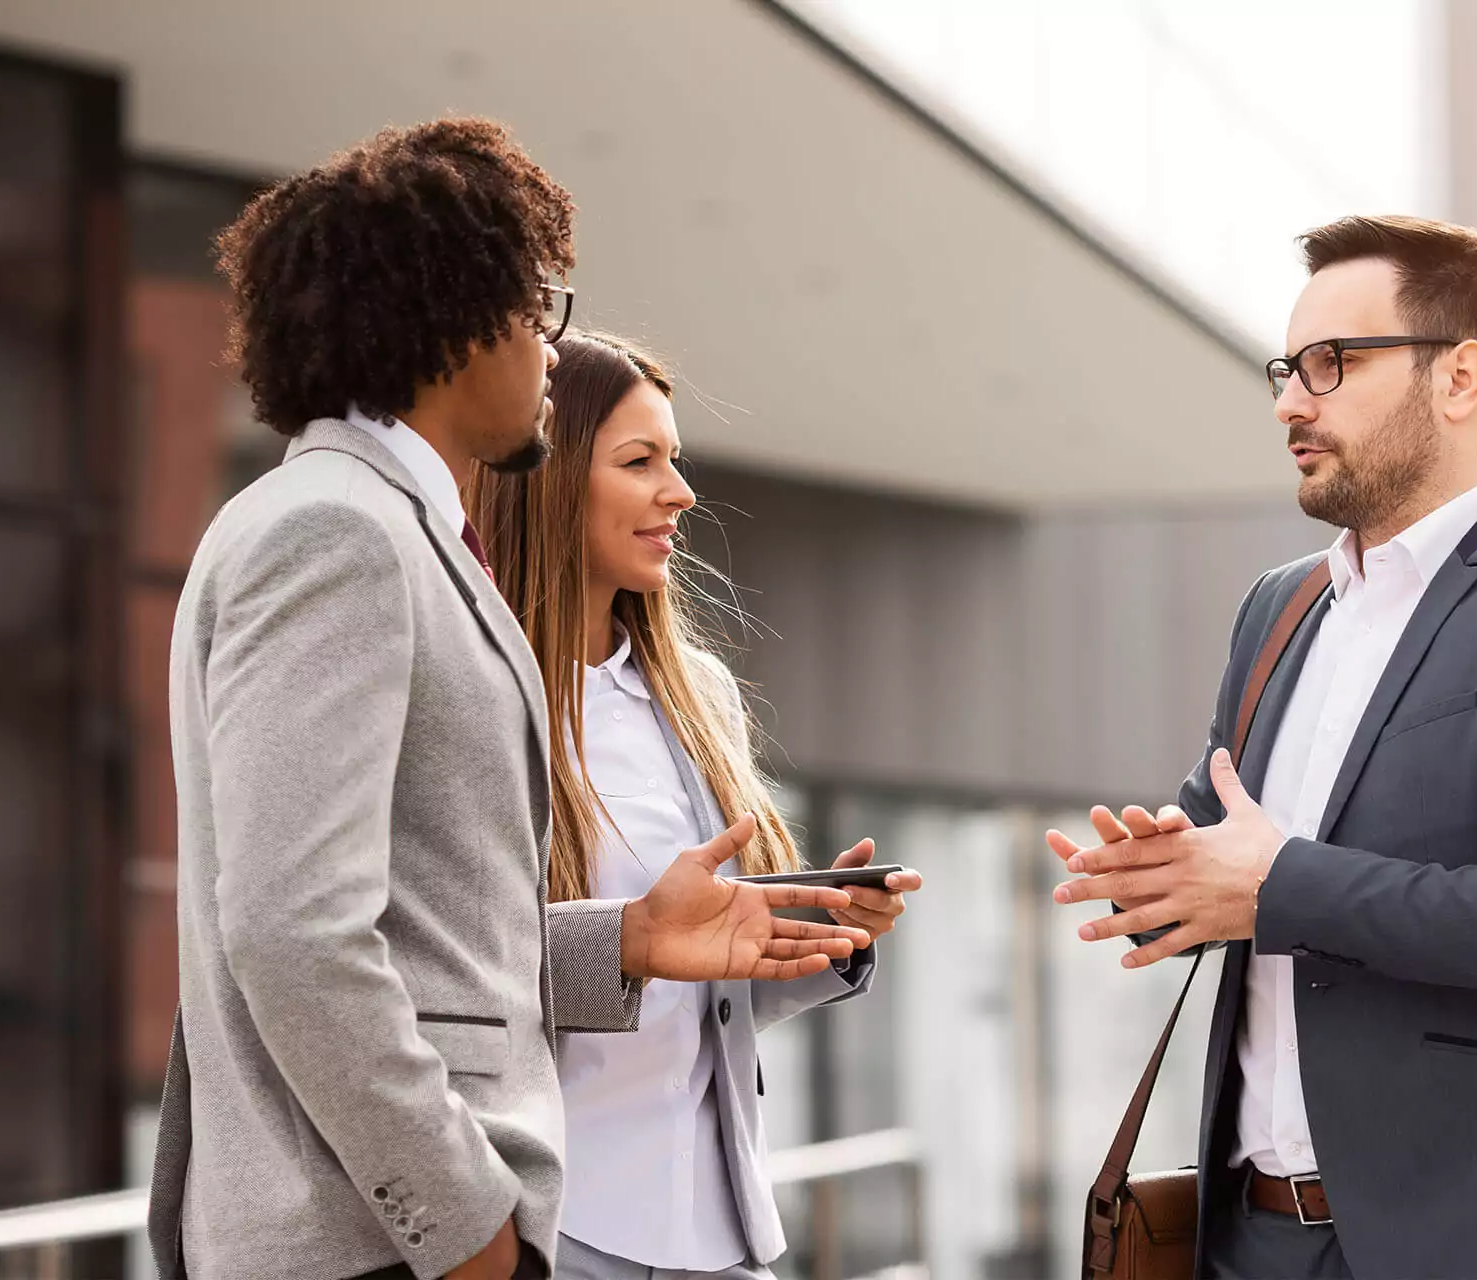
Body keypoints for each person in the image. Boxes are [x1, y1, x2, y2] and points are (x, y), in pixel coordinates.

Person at [148, 119, 867, 1280]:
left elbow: (432, 935)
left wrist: (630, 939)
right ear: (456, 322)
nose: (548, 349)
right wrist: (468, 1226)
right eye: (542, 313)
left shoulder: (382, 527)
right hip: (383, 1243)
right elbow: (294, 933)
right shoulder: (339, 531)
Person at [1049, 215, 1477, 1279]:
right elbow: (1224, 839)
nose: (1293, 400)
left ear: (1460, 379)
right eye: (1285, 369)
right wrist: (1158, 870)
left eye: (1331, 364)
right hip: (1251, 1238)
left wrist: (1278, 884)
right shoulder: (1277, 607)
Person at [465, 332, 923, 1280]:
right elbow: (438, 963)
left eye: (676, 460)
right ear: (550, 479)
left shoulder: (696, 692)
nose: (681, 493)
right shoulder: (467, 693)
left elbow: (702, 987)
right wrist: (629, 936)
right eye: (641, 462)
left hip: (719, 1227)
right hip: (552, 1226)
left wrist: (814, 930)